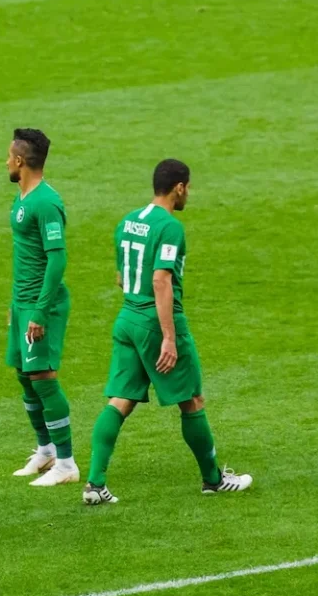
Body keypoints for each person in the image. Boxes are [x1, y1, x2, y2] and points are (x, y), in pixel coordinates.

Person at [83, 159, 252, 504]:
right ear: (179, 187)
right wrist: (169, 338)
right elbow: (161, 280)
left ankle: (95, 485)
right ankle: (213, 480)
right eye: (188, 187)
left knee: (120, 400)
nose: (189, 193)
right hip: (154, 322)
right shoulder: (170, 227)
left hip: (127, 318)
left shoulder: (128, 221)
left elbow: (121, 277)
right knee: (191, 400)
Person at [5, 128, 78, 486]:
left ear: (20, 161)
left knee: (43, 378)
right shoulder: (22, 199)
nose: (5, 161)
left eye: (9, 156)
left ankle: (66, 463)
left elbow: (57, 259)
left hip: (40, 304)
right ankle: (46, 450)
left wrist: (38, 311)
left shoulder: (45, 203)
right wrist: (16, 306)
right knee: (24, 374)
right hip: (22, 303)